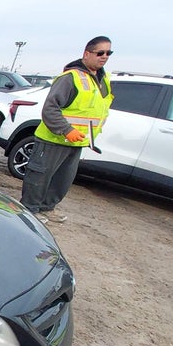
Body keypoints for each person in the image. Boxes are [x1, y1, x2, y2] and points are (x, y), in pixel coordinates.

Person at [21, 36, 114, 224]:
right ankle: (29, 210)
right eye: (100, 53)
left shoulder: (103, 79)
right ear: (87, 54)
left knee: (62, 180)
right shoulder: (70, 78)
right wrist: (65, 129)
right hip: (54, 139)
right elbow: (50, 109)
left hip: (78, 141)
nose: (104, 56)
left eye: (108, 53)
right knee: (40, 176)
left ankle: (47, 208)